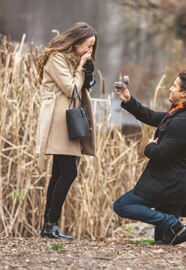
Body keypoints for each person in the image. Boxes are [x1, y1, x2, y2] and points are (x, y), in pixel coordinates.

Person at [113, 70, 186, 251]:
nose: (170, 88)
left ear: (184, 93)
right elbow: (151, 117)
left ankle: (171, 222)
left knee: (122, 205)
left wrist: (149, 146)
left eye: (174, 86)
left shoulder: (184, 122)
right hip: (168, 184)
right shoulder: (178, 113)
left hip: (168, 185)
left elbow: (160, 153)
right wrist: (128, 99)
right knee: (167, 242)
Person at [36, 22, 97, 239]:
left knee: (59, 173)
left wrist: (88, 74)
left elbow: (80, 88)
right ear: (76, 42)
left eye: (92, 47)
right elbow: (71, 89)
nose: (89, 51)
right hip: (59, 121)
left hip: (68, 120)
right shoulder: (57, 58)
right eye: (88, 46)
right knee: (69, 172)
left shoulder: (71, 60)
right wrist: (81, 67)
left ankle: (48, 226)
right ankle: (51, 224)